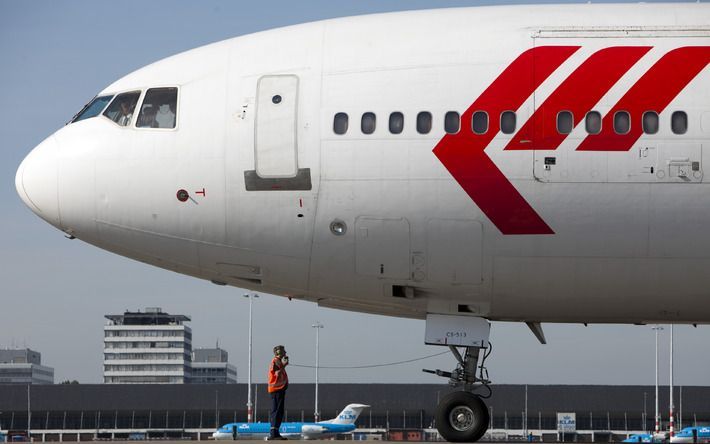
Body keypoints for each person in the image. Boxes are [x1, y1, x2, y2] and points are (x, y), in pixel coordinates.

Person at [267, 345, 289, 440]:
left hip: (280, 389)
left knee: (279, 411)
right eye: (283, 351)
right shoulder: (275, 361)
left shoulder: (278, 362)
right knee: (276, 411)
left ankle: (276, 432)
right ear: (278, 352)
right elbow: (276, 373)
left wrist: (284, 365)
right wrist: (284, 365)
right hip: (276, 389)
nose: (285, 352)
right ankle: (273, 433)